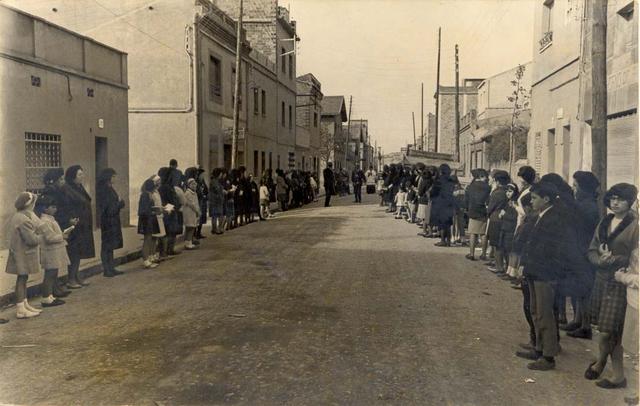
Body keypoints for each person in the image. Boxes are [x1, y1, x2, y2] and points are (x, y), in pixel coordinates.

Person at [585, 183, 638, 389]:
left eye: (620, 199)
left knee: (610, 330)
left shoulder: (635, 225)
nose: (615, 203)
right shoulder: (605, 221)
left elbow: (635, 258)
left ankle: (611, 370)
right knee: (603, 328)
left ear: (630, 201)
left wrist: (613, 260)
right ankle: (606, 364)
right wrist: (600, 260)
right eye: (612, 198)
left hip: (619, 282)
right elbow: (591, 250)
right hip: (601, 280)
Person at [517, 181, 566, 371]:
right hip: (535, 270)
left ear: (546, 199)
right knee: (536, 311)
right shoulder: (542, 215)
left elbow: (548, 250)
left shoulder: (554, 219)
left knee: (545, 314)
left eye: (535, 198)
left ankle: (548, 355)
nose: (532, 201)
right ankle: (539, 348)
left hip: (545, 272)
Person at [565, 171, 601, 339]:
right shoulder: (583, 204)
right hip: (578, 250)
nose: (574, 189)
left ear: (584, 189)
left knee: (583, 290)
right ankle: (578, 320)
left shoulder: (588, 207)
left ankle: (585, 325)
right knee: (577, 288)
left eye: (576, 186)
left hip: (583, 252)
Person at [5, 192, 43, 318]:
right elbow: (31, 240)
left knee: (23, 278)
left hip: (19, 252)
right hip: (23, 254)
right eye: (33, 204)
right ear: (29, 205)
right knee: (22, 279)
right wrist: (41, 236)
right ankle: (21, 308)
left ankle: (25, 304)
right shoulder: (24, 219)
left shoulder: (19, 216)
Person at [60, 165, 95, 288]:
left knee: (79, 252)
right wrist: (71, 219)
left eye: (82, 174)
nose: (82, 176)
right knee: (73, 252)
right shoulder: (67, 189)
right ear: (72, 176)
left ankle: (76, 276)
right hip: (74, 226)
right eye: (79, 174)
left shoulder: (79, 187)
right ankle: (71, 279)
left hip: (83, 225)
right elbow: (65, 206)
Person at [40, 169, 70, 298]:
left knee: (55, 268)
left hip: (56, 228)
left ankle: (54, 290)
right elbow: (49, 236)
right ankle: (50, 292)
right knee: (51, 270)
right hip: (51, 242)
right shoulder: (50, 192)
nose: (63, 181)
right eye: (61, 179)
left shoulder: (58, 191)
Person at [35, 195, 70, 307]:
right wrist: (62, 236)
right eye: (53, 207)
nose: (55, 209)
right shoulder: (44, 221)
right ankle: (46, 297)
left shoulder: (50, 219)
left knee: (53, 273)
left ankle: (50, 295)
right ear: (45, 208)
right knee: (49, 275)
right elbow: (50, 238)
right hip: (49, 251)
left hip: (54, 251)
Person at [96, 168, 125, 277]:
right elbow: (109, 208)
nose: (114, 178)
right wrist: (120, 204)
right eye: (113, 176)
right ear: (108, 177)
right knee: (106, 245)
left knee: (110, 245)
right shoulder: (104, 189)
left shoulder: (109, 188)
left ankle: (111, 267)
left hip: (113, 220)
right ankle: (106, 269)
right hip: (108, 221)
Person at [486, 170, 510, 273]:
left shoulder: (496, 193)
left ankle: (499, 266)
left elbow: (490, 207)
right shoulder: (508, 190)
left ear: (497, 181)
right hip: (505, 219)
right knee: (503, 244)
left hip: (495, 218)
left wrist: (488, 213)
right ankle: (506, 266)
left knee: (496, 244)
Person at [465, 169, 490, 260]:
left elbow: (466, 199)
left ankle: (471, 254)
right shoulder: (488, 187)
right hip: (483, 212)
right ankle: (483, 254)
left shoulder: (470, 187)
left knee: (473, 233)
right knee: (483, 234)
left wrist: (466, 208)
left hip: (473, 211)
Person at [430, 164, 456, 247]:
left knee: (441, 223)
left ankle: (442, 240)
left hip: (440, 203)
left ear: (441, 171)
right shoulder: (451, 180)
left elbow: (433, 192)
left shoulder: (438, 180)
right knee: (448, 223)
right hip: (449, 203)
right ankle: (448, 241)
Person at [138, 178, 160, 269]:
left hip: (149, 219)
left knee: (149, 239)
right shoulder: (145, 195)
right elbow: (144, 210)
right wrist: (154, 212)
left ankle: (148, 259)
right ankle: (145, 260)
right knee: (147, 240)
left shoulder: (148, 195)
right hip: (146, 220)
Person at [499, 183, 520, 281]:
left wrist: (504, 214)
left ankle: (511, 271)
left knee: (509, 250)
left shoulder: (515, 203)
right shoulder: (508, 202)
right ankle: (507, 270)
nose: (508, 193)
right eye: (507, 191)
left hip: (510, 229)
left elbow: (514, 217)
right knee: (505, 249)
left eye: (510, 191)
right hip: (505, 228)